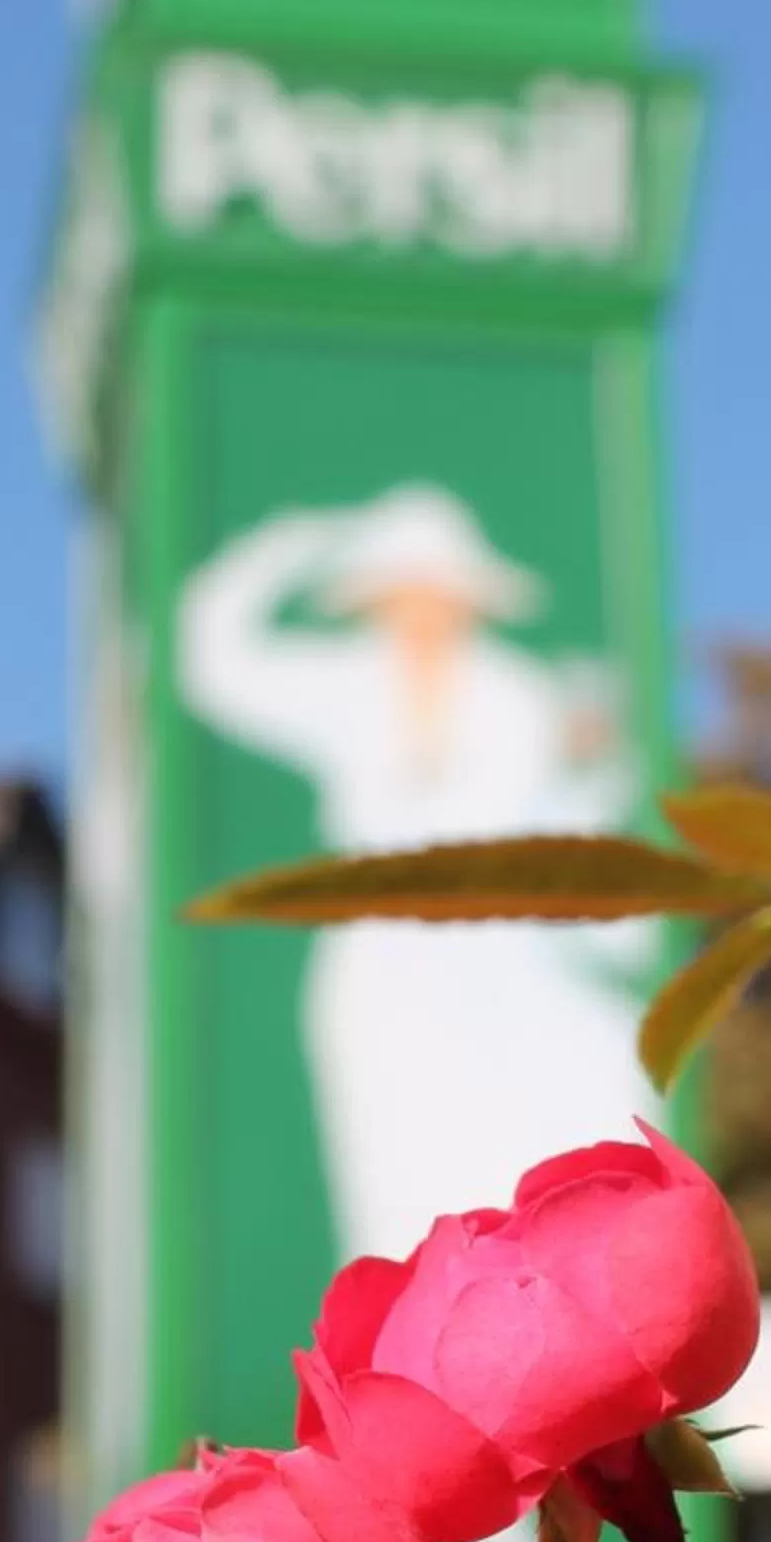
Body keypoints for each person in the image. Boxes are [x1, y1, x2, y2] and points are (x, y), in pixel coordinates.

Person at [178, 481, 658, 1278]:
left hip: (505, 953)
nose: (422, 613)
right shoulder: (347, 687)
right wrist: (293, 542)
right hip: (387, 953)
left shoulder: (520, 694)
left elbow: (573, 818)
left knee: (538, 1132)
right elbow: (214, 660)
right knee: (395, 1158)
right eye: (402, 596)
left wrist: (599, 760)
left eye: (437, 594)